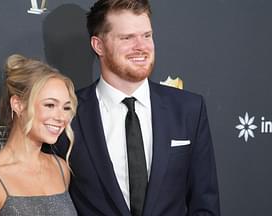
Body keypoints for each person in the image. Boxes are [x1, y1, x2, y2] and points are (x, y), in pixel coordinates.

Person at [56, 0, 220, 215]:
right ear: (98, 45)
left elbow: (204, 204)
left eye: (147, 35)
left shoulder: (188, 109)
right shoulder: (67, 113)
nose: (142, 47)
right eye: (127, 38)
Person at [0, 54, 78, 216]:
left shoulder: (60, 169)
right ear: (18, 104)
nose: (61, 117)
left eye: (66, 108)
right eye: (50, 105)